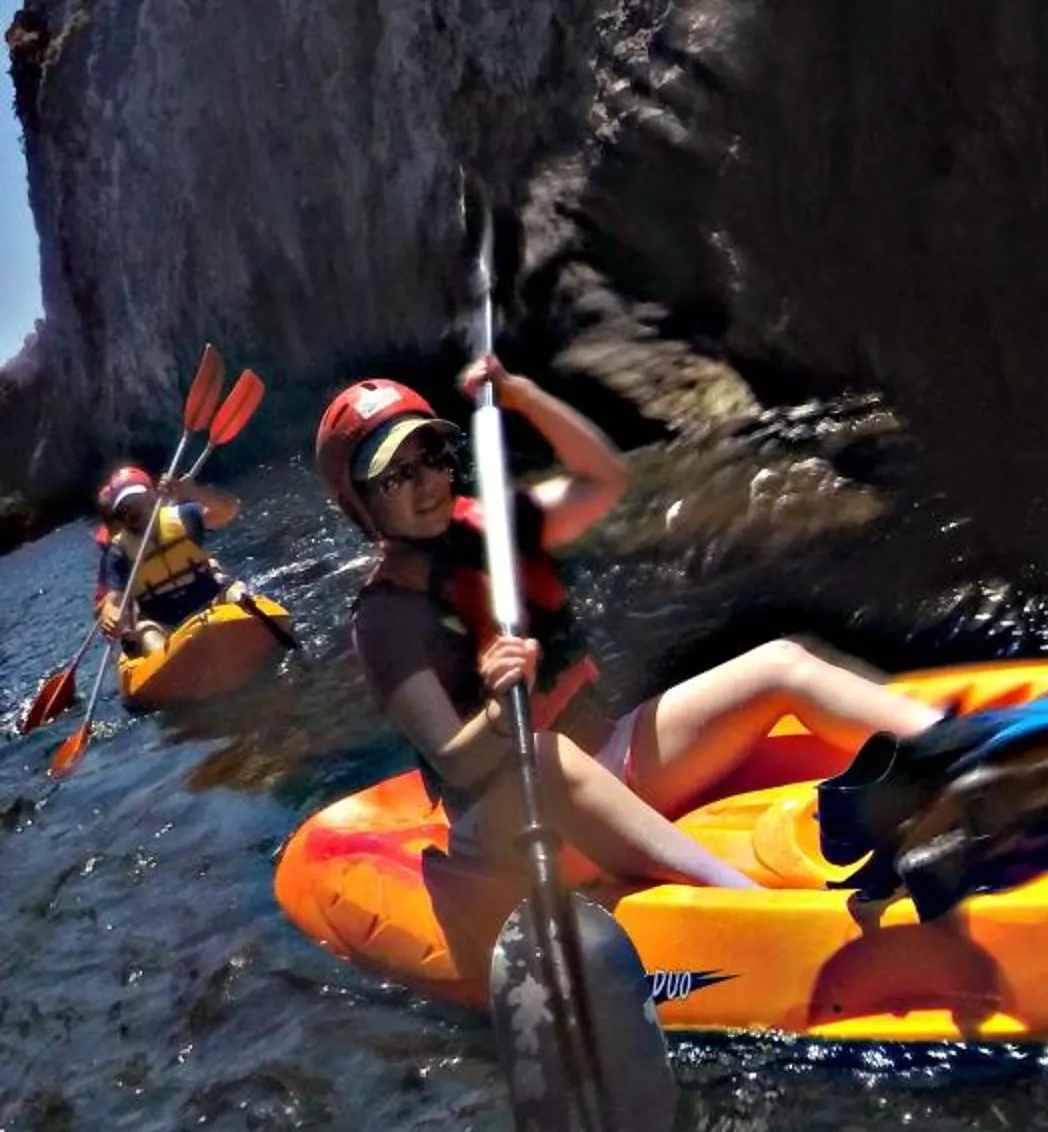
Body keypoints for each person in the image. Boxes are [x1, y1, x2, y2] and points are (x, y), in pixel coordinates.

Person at [313, 361, 943, 890]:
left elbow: (603, 479)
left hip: (608, 758)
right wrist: (505, 718)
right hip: (524, 828)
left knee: (781, 663)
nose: (425, 484)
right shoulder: (387, 619)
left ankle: (963, 752)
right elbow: (455, 762)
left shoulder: (496, 529)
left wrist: (524, 397)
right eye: (396, 476)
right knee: (547, 754)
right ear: (361, 505)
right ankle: (747, 902)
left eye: (429, 458)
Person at [93, 464, 243, 657]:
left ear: (152, 497)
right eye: (124, 508)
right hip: (163, 624)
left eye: (136, 501)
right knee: (149, 636)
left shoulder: (183, 515)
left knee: (239, 594)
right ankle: (170, 664)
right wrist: (109, 613)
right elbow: (114, 599)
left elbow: (229, 510)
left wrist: (195, 492)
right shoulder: (118, 551)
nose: (131, 511)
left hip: (211, 600)